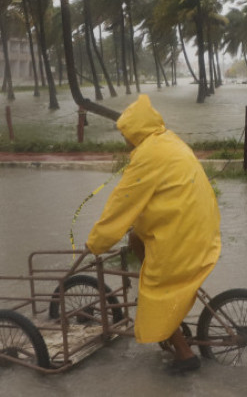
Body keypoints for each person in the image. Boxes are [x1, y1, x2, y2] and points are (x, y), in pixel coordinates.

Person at [86, 94, 221, 373]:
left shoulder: (147, 156)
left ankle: (185, 356)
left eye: (126, 133)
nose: (124, 140)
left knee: (154, 293)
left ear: (135, 131)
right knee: (136, 237)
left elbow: (121, 204)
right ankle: (173, 318)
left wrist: (96, 243)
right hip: (201, 227)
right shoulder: (169, 140)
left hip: (182, 235)